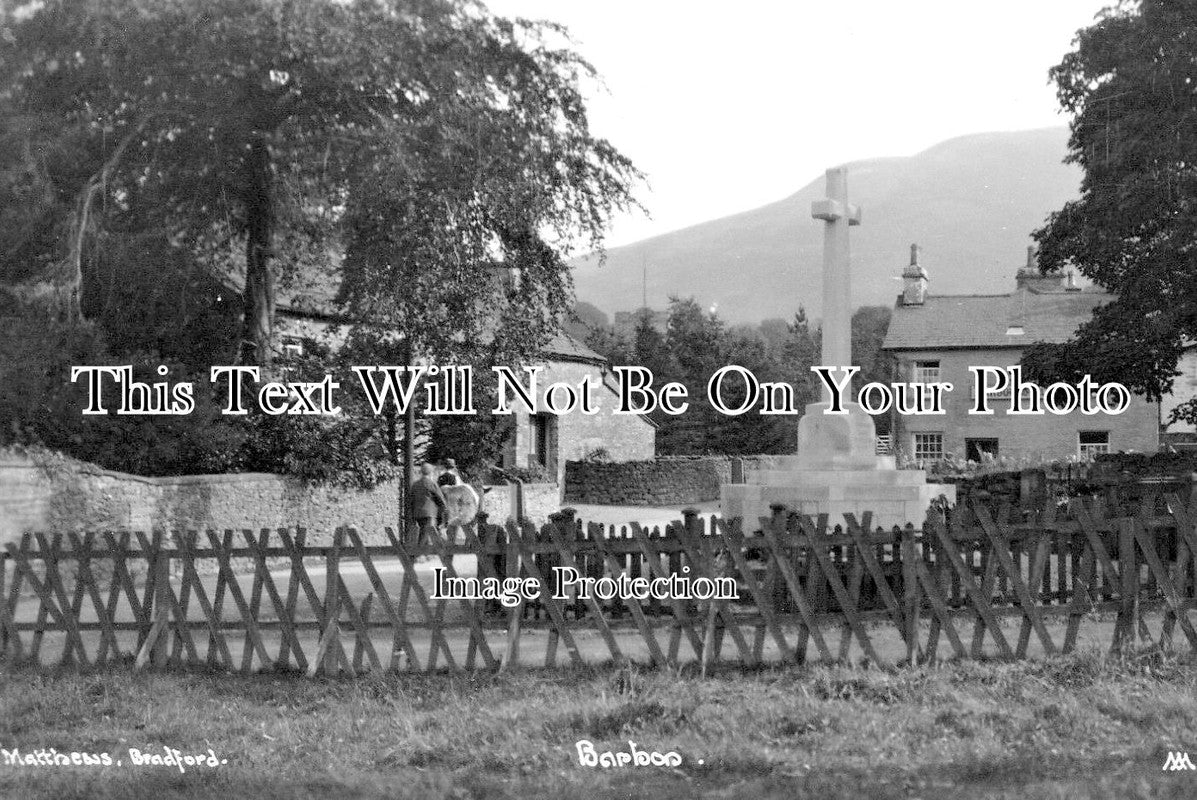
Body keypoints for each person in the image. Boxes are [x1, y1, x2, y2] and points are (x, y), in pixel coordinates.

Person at [408, 462, 446, 552]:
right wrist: (444, 508)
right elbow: (440, 497)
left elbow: (411, 500)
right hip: (429, 513)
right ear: (431, 472)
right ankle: (420, 554)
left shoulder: (415, 484)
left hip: (417, 513)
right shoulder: (431, 483)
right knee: (428, 533)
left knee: (424, 532)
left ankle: (426, 554)